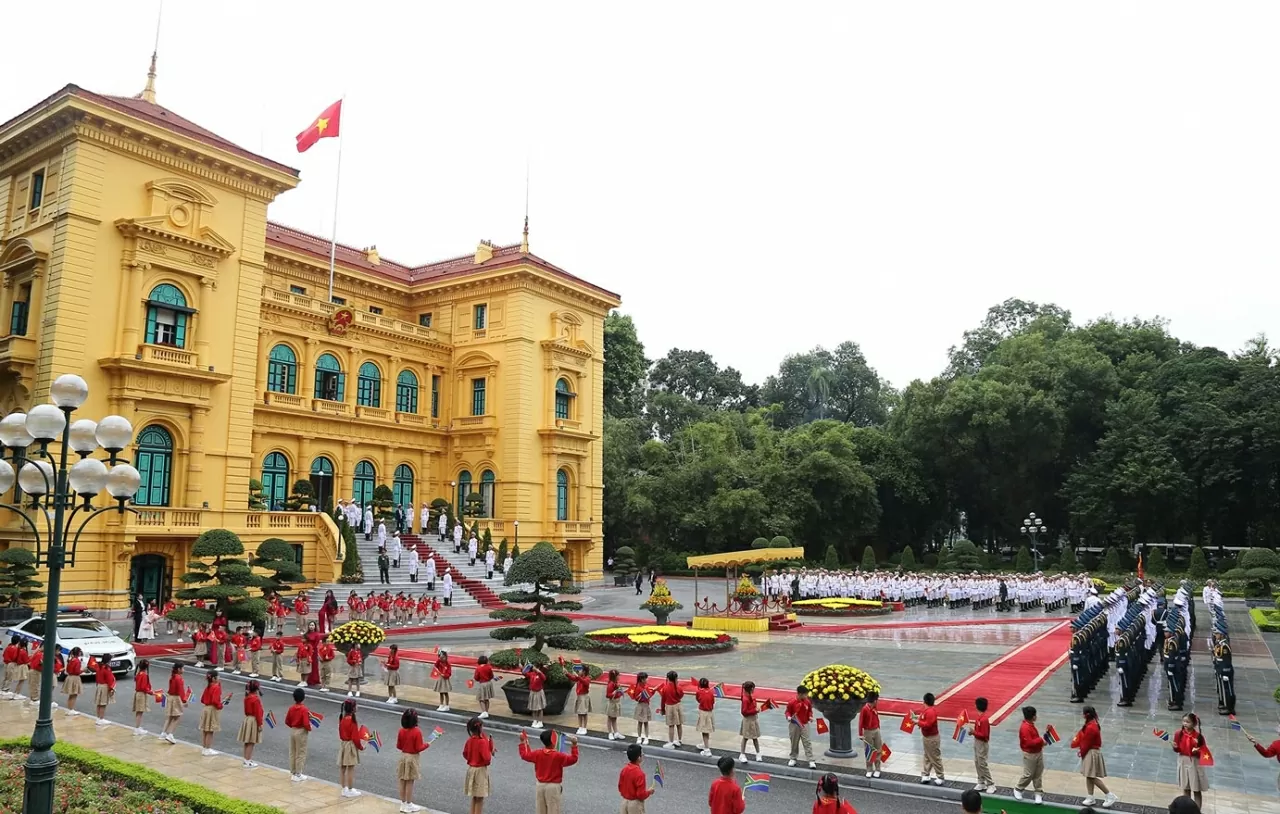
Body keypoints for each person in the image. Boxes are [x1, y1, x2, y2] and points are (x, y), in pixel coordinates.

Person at [519, 727, 579, 814]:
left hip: (540, 786)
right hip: (553, 787)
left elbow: (525, 755)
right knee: (553, 810)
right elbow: (573, 759)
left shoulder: (538, 753)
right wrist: (574, 745)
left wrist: (522, 742)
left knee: (540, 810)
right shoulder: (558, 755)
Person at [1076, 704, 1117, 807]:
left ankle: (1109, 795)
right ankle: (1090, 797)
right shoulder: (1093, 724)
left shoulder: (1091, 727)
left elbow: (1087, 743)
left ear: (1086, 715)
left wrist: (1081, 752)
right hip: (1091, 751)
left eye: (1083, 714)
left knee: (1092, 776)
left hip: (1092, 752)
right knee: (1089, 776)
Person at [1172, 712, 1209, 809]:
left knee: (1196, 790)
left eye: (1187, 722)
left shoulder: (1198, 736)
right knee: (1186, 788)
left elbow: (1204, 751)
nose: (1185, 724)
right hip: (1183, 761)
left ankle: (1197, 811)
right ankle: (1186, 810)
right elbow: (1178, 750)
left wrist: (1197, 750)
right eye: (1183, 721)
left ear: (1194, 724)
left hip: (1194, 763)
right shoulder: (1178, 734)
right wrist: (1175, 747)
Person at [397, 707, 430, 813]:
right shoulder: (417, 732)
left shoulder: (401, 731)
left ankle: (402, 803)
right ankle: (409, 804)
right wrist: (427, 745)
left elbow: (399, 746)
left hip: (403, 756)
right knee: (410, 781)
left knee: (402, 780)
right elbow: (419, 748)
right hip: (412, 758)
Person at [1012, 705, 1045, 804]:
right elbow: (1030, 743)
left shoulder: (1030, 725)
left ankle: (1038, 792)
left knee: (1038, 773)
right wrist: (1041, 739)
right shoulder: (1025, 728)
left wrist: (1042, 742)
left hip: (1038, 752)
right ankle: (1018, 788)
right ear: (1033, 716)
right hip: (1030, 754)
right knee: (1029, 774)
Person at [463, 716, 495, 814]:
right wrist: (491, 751)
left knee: (474, 796)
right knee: (480, 798)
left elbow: (465, 753)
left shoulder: (470, 740)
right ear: (480, 728)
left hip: (471, 769)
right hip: (480, 770)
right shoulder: (482, 742)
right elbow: (487, 759)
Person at [338, 698, 365, 798]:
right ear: (353, 709)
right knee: (350, 768)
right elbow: (355, 737)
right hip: (350, 745)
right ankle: (350, 789)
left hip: (343, 744)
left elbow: (340, 733)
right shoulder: (352, 721)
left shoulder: (342, 718)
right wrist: (361, 747)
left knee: (342, 767)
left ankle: (344, 788)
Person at [618, 743, 655, 814]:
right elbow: (641, 795)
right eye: (642, 754)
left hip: (624, 802)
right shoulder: (640, 774)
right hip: (635, 805)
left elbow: (620, 787)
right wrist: (649, 792)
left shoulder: (624, 769)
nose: (643, 755)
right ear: (639, 758)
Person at [286, 687, 313, 782]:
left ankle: (293, 772)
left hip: (293, 730)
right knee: (301, 752)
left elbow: (287, 721)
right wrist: (309, 728)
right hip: (301, 731)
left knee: (293, 751)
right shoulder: (304, 709)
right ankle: (298, 773)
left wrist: (292, 726)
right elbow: (306, 723)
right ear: (303, 698)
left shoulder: (291, 708)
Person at [786, 683, 817, 768]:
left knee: (807, 742)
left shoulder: (807, 702)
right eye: (805, 694)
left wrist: (810, 716)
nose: (807, 696)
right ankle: (793, 758)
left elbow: (810, 710)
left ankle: (810, 760)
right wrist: (788, 716)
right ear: (800, 694)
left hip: (805, 724)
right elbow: (787, 711)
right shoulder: (792, 702)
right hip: (794, 724)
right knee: (794, 742)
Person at [918, 692, 944, 785]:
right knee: (927, 756)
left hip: (932, 738)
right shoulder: (926, 711)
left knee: (935, 757)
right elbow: (923, 720)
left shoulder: (931, 712)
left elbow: (928, 724)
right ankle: (926, 774)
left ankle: (940, 776)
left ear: (924, 701)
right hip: (927, 737)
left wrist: (918, 722)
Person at [970, 696, 995, 793]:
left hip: (982, 743)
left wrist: (974, 732)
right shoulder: (979, 718)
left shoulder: (983, 720)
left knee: (982, 763)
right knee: (977, 762)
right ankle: (981, 781)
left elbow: (984, 735)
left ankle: (990, 783)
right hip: (977, 742)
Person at [1246, 725, 1280, 793]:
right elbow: (1266, 753)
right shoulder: (1277, 744)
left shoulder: (1277, 744)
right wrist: (1255, 743)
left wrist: (1255, 743)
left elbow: (1266, 754)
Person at [199, 669, 225, 756]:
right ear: (214, 678)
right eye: (218, 677)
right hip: (212, 709)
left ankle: (204, 747)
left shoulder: (208, 687)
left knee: (205, 730)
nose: (219, 678)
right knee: (210, 730)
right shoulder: (216, 687)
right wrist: (220, 705)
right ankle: (208, 748)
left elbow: (202, 699)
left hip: (205, 708)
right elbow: (215, 700)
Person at [240, 679, 264, 768]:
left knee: (247, 741)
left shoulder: (247, 697)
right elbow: (258, 713)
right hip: (253, 720)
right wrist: (260, 724)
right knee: (251, 742)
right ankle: (248, 761)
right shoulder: (255, 699)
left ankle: (246, 759)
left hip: (247, 719)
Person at [159, 663, 186, 744]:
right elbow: (181, 690)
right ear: (179, 669)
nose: (184, 670)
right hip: (176, 698)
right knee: (177, 716)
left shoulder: (173, 676)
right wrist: (184, 700)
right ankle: (170, 734)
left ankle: (163, 733)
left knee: (169, 717)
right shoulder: (179, 678)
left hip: (170, 697)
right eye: (183, 668)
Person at [859, 690, 883, 778]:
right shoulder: (865, 709)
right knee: (869, 750)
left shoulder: (875, 708)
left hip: (876, 730)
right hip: (868, 731)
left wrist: (878, 728)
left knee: (878, 749)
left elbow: (877, 718)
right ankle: (869, 769)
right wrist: (860, 734)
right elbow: (860, 722)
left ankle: (877, 769)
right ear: (875, 701)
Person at [659, 670, 684, 749]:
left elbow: (663, 699)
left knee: (671, 725)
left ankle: (671, 742)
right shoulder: (678, 687)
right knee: (679, 724)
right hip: (678, 706)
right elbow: (681, 695)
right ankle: (679, 740)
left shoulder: (665, 688)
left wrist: (662, 709)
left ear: (668, 678)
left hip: (670, 707)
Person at [738, 680, 762, 763]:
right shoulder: (745, 699)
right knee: (745, 737)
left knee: (755, 737)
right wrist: (755, 710)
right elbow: (744, 712)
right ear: (751, 689)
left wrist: (756, 707)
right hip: (748, 720)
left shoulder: (750, 696)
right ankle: (742, 754)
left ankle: (758, 753)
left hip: (753, 719)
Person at [695, 677, 716, 756]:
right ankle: (705, 744)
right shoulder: (711, 692)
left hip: (703, 713)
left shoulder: (699, 692)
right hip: (710, 713)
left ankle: (707, 750)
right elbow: (713, 701)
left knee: (704, 731)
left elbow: (698, 699)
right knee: (707, 730)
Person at [94, 655, 117, 727]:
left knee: (99, 703)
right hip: (104, 686)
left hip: (99, 686)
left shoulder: (99, 666)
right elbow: (109, 679)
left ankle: (98, 718)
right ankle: (101, 719)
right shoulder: (107, 668)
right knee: (103, 703)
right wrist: (111, 689)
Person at [62, 647, 84, 716]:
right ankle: (71, 709)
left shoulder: (71, 660)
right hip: (75, 678)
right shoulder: (77, 661)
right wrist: (83, 670)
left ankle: (69, 709)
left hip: (69, 677)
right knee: (74, 694)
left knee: (71, 694)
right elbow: (77, 671)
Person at [571, 664, 592, 735]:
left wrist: (578, 677)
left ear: (584, 671)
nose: (578, 671)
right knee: (579, 713)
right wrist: (566, 673)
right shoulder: (579, 677)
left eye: (580, 670)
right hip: (579, 696)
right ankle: (580, 727)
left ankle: (584, 727)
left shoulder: (587, 678)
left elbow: (585, 682)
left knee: (584, 713)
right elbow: (573, 678)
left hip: (584, 697)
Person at [132, 659, 152, 735]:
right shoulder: (144, 675)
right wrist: (151, 692)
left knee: (138, 711)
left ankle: (137, 727)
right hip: (141, 694)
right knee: (140, 712)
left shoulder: (139, 674)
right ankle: (137, 729)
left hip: (138, 693)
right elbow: (143, 687)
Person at [632, 671, 652, 744]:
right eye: (646, 678)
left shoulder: (646, 686)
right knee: (640, 722)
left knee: (646, 722)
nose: (647, 680)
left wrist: (652, 691)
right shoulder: (638, 687)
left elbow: (648, 696)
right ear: (642, 679)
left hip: (646, 705)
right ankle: (639, 737)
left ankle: (646, 737)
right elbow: (636, 697)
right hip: (640, 705)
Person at [605, 668, 625, 741]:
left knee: (614, 718)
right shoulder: (610, 684)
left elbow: (619, 692)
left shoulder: (617, 684)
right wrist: (613, 693)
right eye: (618, 675)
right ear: (615, 676)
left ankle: (616, 732)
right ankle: (610, 733)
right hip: (612, 703)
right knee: (610, 718)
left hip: (617, 702)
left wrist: (623, 692)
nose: (619, 677)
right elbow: (607, 695)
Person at [527, 662, 547, 729]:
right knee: (533, 708)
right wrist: (522, 667)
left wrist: (539, 672)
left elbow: (544, 678)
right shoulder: (532, 674)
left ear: (538, 667)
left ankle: (540, 721)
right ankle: (535, 720)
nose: (533, 668)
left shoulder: (540, 674)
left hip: (539, 692)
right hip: (533, 692)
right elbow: (525, 673)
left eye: (534, 667)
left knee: (539, 708)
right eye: (533, 667)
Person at [474, 655, 495, 719]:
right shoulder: (489, 667)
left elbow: (476, 677)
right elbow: (491, 676)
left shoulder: (478, 668)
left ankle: (484, 712)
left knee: (481, 698)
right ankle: (486, 711)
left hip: (482, 684)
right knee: (486, 698)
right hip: (488, 683)